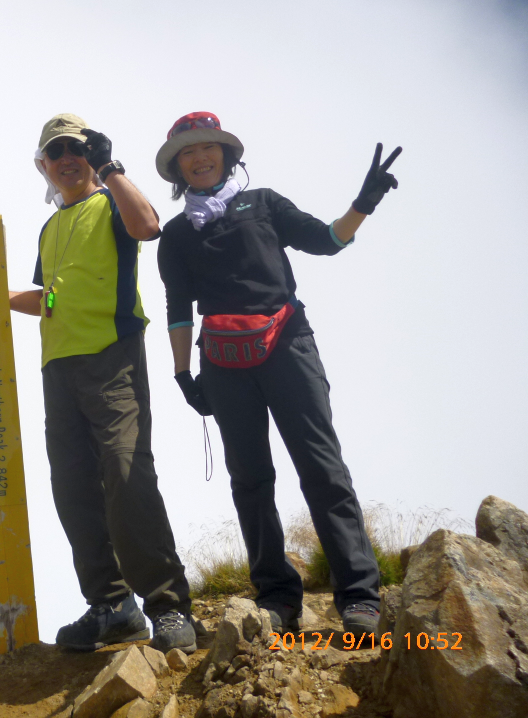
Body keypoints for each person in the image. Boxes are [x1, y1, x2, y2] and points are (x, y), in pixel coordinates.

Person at [155, 111, 400, 635]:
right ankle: (277, 598)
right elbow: (178, 307)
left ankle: (359, 594)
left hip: (288, 343)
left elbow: (327, 240)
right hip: (220, 361)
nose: (199, 158)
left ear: (226, 156)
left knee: (320, 465)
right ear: (178, 168)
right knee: (249, 479)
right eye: (188, 153)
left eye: (208, 149)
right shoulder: (175, 234)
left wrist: (364, 203)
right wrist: (182, 374)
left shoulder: (262, 203)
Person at [8, 113, 196, 654]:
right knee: (73, 487)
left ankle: (167, 605)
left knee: (125, 470)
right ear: (42, 165)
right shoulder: (49, 228)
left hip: (113, 358)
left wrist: (112, 168)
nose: (67, 158)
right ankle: (112, 606)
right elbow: (50, 298)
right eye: (56, 151)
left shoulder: (112, 200)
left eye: (77, 148)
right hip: (58, 368)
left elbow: (148, 227)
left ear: (92, 155)